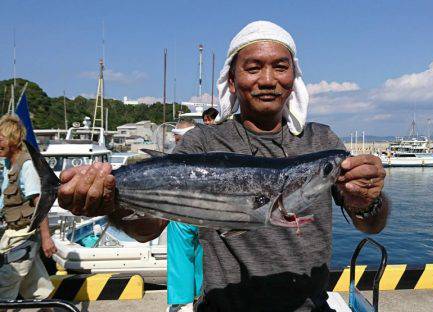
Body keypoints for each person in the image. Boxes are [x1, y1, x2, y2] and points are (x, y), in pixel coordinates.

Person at [58, 21, 389, 311]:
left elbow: (371, 225)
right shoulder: (203, 142)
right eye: (254, 67)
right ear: (231, 80)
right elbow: (148, 230)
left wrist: (369, 200)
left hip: (309, 307)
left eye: (280, 66)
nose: (268, 79)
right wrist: (110, 204)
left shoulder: (322, 143)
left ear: (294, 76)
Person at [0, 115, 56, 302]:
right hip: (13, 234)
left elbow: (40, 202)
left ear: (13, 141)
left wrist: (46, 238)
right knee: (37, 289)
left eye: (1, 138)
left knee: (4, 284)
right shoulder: (8, 165)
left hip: (24, 236)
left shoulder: (26, 166)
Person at [168, 119, 203, 312]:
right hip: (207, 214)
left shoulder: (177, 155)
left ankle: (182, 301)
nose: (174, 140)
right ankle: (201, 293)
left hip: (181, 213)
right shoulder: (207, 150)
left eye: (176, 137)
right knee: (202, 255)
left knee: (181, 255)